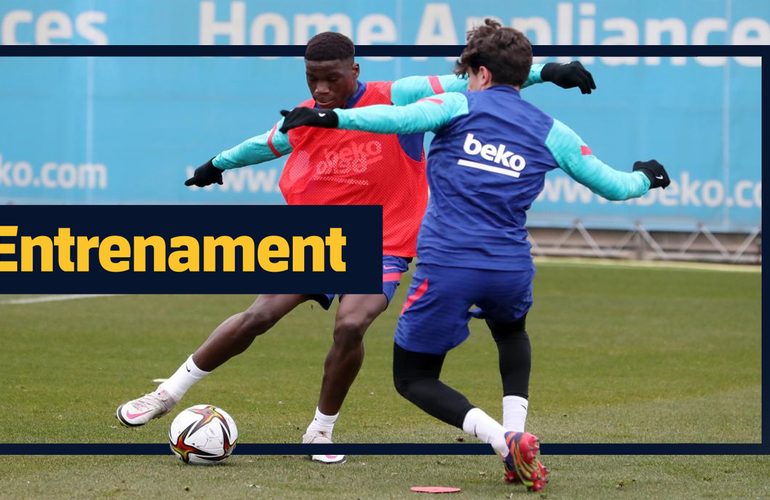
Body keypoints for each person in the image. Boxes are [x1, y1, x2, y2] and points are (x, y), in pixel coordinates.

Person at [116, 31, 597, 466]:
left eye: (332, 78)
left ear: (355, 70)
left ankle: (320, 430)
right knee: (259, 315)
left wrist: (547, 71)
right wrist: (217, 164)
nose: (321, 89)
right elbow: (264, 144)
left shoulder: (400, 95)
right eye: (312, 79)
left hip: (384, 243)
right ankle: (167, 394)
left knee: (351, 324)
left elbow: (477, 83)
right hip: (321, 240)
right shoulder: (309, 115)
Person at [279, 20, 670, 490]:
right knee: (511, 334)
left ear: (480, 73)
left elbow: (394, 119)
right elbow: (614, 185)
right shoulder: (552, 130)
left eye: (466, 71)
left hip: (448, 266)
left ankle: (503, 440)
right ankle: (518, 433)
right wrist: (647, 177)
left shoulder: (457, 104)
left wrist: (333, 119)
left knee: (414, 378)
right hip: (511, 267)